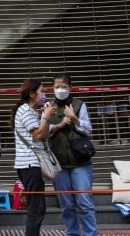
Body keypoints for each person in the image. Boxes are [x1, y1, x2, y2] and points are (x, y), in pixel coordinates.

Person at [45, 73, 96, 236]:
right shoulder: (49, 106)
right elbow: (42, 132)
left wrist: (74, 118)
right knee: (66, 205)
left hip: (80, 163)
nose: (59, 90)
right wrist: (59, 125)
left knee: (84, 203)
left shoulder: (79, 104)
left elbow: (88, 129)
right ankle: (72, 233)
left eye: (63, 87)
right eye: (56, 87)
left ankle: (90, 233)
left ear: (70, 88)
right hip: (58, 164)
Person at [11, 79, 50, 236]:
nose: (44, 94)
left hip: (30, 165)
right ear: (32, 94)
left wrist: (45, 118)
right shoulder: (26, 110)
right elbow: (39, 134)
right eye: (41, 91)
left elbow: (44, 136)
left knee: (37, 208)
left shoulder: (31, 111)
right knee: (36, 209)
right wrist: (46, 116)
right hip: (29, 164)